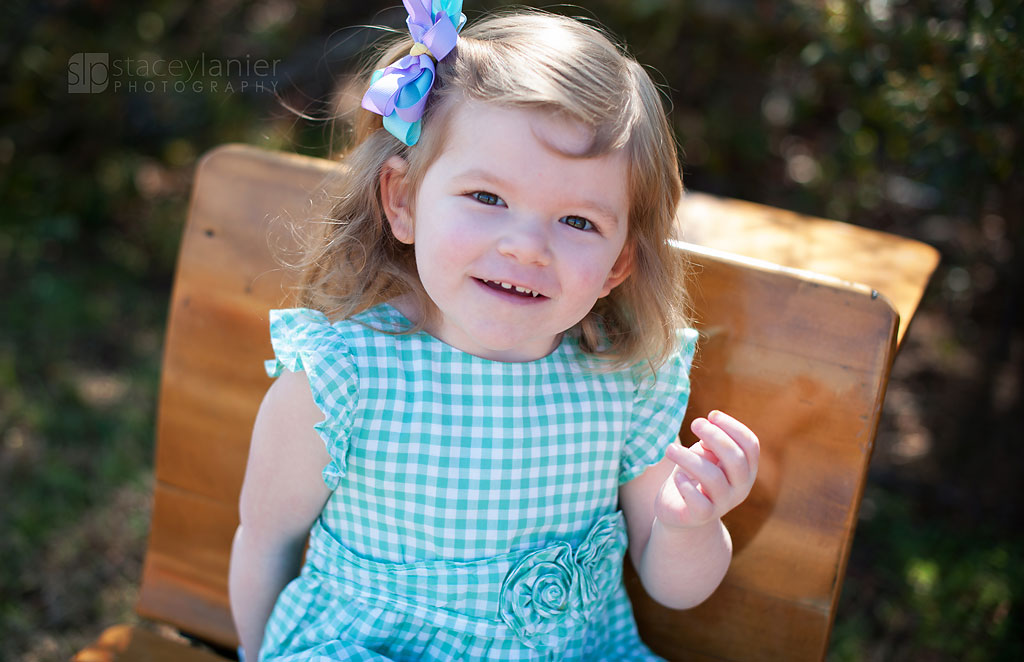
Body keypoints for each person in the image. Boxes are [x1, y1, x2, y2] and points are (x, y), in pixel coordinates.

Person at [229, 2, 759, 660]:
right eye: (487, 199)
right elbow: (265, 539)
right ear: (404, 200)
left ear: (619, 262)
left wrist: (690, 524)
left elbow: (673, 586)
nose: (526, 247)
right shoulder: (343, 377)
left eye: (578, 222)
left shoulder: (624, 384)